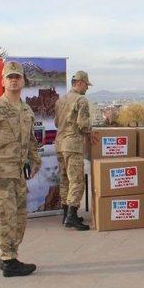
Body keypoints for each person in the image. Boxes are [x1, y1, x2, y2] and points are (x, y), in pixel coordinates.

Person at [0, 61, 42, 277]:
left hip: (18, 175)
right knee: (5, 218)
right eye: (9, 77)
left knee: (19, 219)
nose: (14, 80)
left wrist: (35, 162)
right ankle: (8, 261)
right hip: (0, 175)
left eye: (17, 77)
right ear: (2, 81)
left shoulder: (26, 110)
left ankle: (11, 256)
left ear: (23, 81)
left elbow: (32, 141)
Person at [54, 70, 95, 231]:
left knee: (65, 180)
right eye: (86, 84)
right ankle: (72, 215)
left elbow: (57, 122)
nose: (87, 88)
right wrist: (90, 133)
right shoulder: (81, 100)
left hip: (59, 144)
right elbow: (83, 124)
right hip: (73, 145)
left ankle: (66, 215)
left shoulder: (60, 100)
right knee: (77, 181)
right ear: (80, 83)